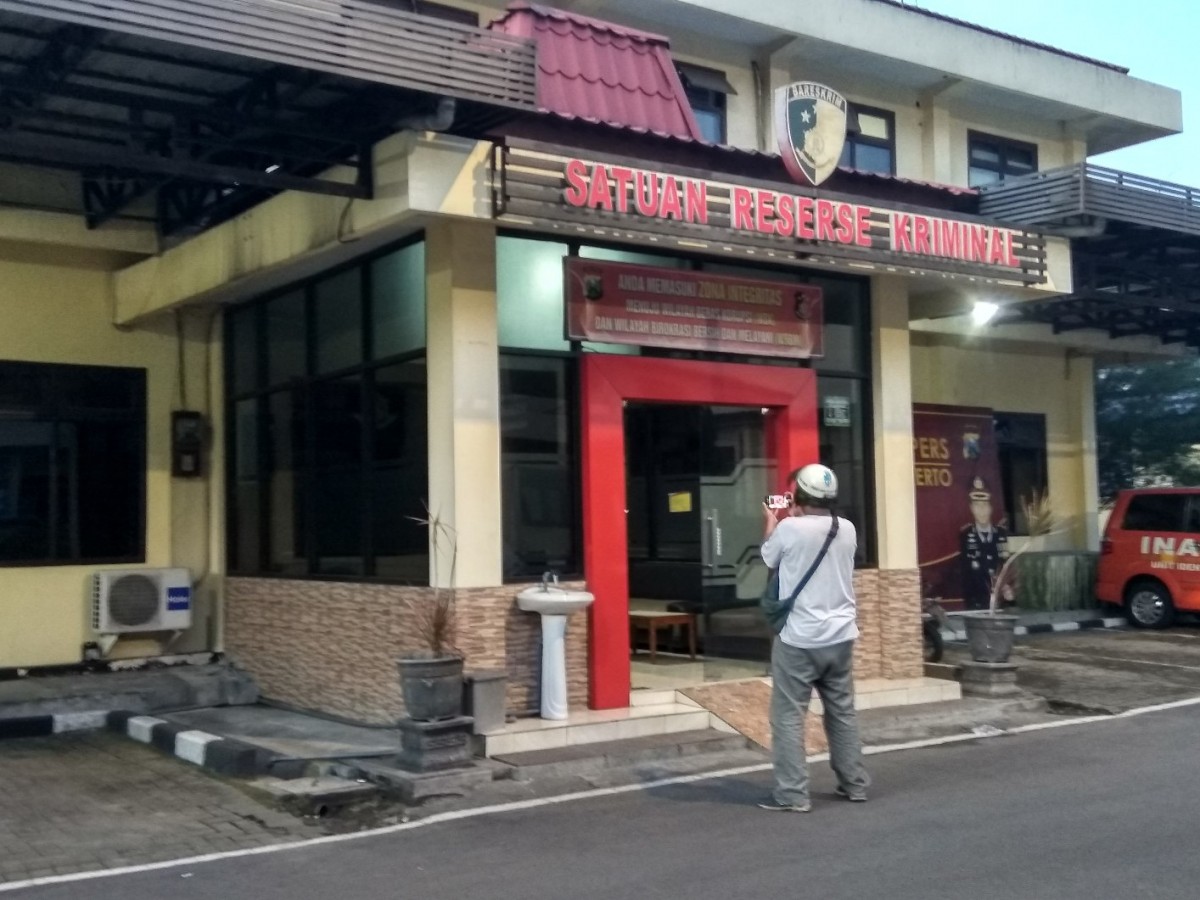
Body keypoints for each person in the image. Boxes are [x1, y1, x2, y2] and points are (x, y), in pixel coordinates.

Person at [758, 463, 870, 812]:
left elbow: (768, 557)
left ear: (799, 497)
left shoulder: (789, 529)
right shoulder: (847, 529)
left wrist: (774, 521)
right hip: (840, 637)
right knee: (842, 712)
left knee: (789, 716)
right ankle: (854, 784)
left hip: (800, 639)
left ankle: (793, 794)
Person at [959, 476, 1010, 611]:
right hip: (976, 598)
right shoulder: (965, 535)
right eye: (977, 505)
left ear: (991, 508)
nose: (981, 510)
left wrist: (1005, 588)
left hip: (998, 597)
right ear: (971, 508)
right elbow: (966, 571)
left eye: (985, 505)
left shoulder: (1000, 534)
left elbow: (1005, 563)